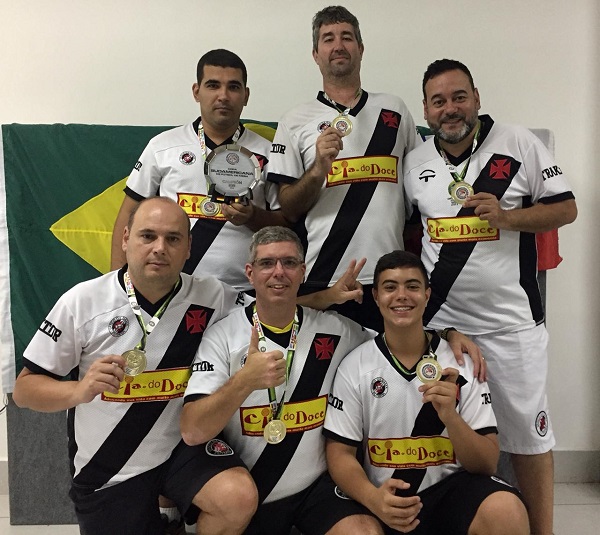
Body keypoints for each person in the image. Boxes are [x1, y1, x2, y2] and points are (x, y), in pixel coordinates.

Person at [13, 197, 261, 534]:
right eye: (148, 236)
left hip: (180, 453)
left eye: (173, 238)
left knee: (237, 497)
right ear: (126, 239)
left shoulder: (213, 296)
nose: (160, 248)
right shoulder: (82, 302)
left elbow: (270, 307)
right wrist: (79, 390)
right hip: (111, 467)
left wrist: (324, 299)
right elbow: (24, 390)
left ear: (188, 248)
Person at [403, 59, 577, 535]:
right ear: (426, 110)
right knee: (439, 434)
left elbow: (566, 208)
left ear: (476, 98)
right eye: (438, 101)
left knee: (528, 439)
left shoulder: (518, 143)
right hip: (443, 329)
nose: (450, 108)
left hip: (511, 326)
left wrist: (508, 218)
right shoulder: (415, 162)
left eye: (459, 97)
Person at [181, 226, 384, 535]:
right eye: (267, 263)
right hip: (248, 487)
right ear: (250, 273)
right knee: (232, 500)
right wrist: (245, 381)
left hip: (312, 490)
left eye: (289, 263)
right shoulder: (222, 336)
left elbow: (394, 347)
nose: (279, 272)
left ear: (302, 272)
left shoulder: (338, 330)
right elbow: (192, 429)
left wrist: (447, 335)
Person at [324, 250, 529, 534]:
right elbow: (340, 454)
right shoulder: (355, 365)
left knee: (506, 511)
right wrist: (374, 499)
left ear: (427, 295)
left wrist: (450, 417)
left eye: (412, 286)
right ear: (376, 297)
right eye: (390, 287)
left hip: (451, 493)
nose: (401, 296)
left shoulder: (461, 362)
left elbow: (486, 463)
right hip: (385, 495)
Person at [267, 6, 417, 331]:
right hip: (323, 278)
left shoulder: (395, 110)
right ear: (315, 54)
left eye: (346, 37)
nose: (338, 45)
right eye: (328, 39)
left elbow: (420, 187)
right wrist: (318, 169)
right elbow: (288, 209)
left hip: (389, 278)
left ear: (360, 48)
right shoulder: (294, 121)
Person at [111, 48, 287, 291]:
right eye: (213, 85)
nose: (223, 96)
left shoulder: (268, 153)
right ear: (196, 91)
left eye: (233, 87)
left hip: (243, 292)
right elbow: (128, 218)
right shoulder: (163, 147)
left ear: (246, 95)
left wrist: (252, 217)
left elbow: (285, 227)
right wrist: (117, 289)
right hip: (171, 290)